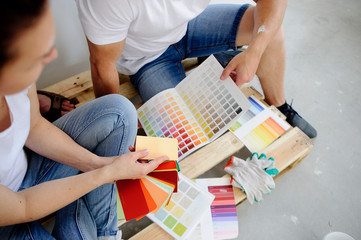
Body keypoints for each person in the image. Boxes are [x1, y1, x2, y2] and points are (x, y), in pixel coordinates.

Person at [0, 1, 168, 239]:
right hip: (9, 215)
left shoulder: (14, 73)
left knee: (120, 111)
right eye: (37, 55)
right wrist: (105, 174)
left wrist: (99, 164)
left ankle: (105, 233)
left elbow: (34, 127)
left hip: (31, 169)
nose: (53, 55)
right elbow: (23, 205)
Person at [74, 0, 317, 139]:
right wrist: (118, 127)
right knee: (190, 136)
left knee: (270, 34)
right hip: (147, 58)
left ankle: (279, 105)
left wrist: (254, 52)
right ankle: (216, 56)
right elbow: (101, 64)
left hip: (188, 27)